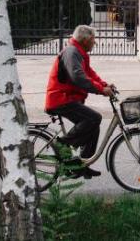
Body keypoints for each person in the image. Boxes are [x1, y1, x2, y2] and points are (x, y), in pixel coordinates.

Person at [45, 25, 114, 178]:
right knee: (94, 118)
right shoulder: (71, 53)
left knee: (93, 126)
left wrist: (104, 85)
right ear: (85, 40)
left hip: (69, 98)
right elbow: (78, 77)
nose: (94, 43)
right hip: (60, 99)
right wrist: (101, 90)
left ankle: (82, 166)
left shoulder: (79, 53)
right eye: (93, 40)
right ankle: (62, 144)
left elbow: (90, 74)